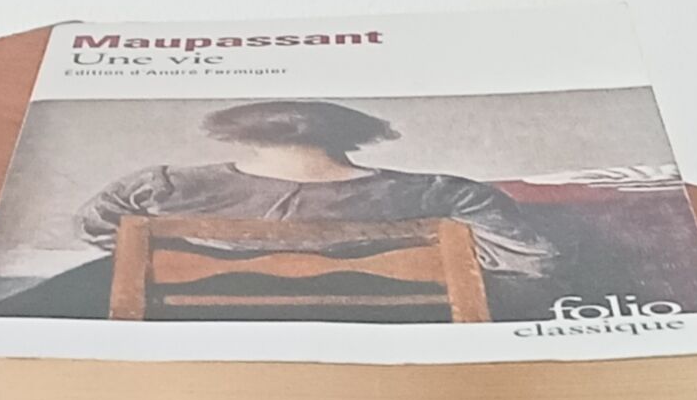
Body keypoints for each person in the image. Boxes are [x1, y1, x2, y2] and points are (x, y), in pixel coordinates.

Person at [79, 98, 559, 274]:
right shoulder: (446, 193)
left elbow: (103, 235)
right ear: (357, 134)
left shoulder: (158, 188)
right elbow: (534, 259)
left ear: (238, 133)